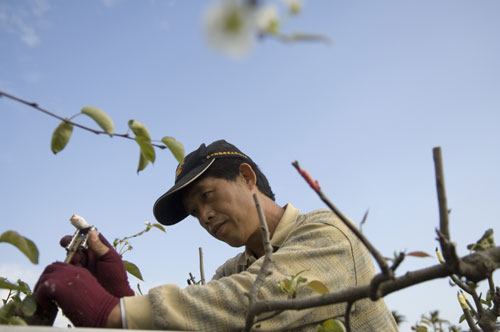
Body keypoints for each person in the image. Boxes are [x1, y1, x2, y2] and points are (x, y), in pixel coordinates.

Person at [34, 139, 399, 331]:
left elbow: (247, 303)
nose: (204, 216)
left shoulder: (329, 233)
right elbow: (204, 322)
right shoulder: (233, 271)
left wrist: (111, 311)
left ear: (247, 178)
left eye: (207, 197)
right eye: (194, 213)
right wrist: (119, 291)